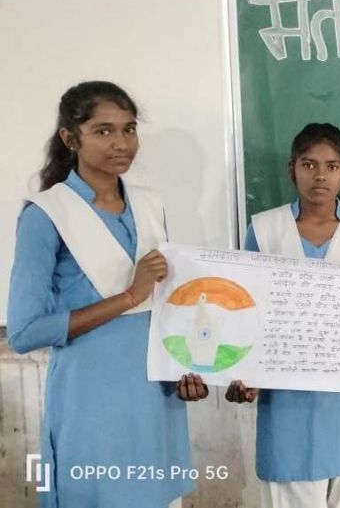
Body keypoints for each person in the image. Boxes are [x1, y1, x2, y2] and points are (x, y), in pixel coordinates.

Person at [7, 81, 208, 508]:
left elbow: (164, 305)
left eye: (129, 129)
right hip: (92, 402)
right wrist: (129, 296)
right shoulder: (46, 215)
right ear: (70, 138)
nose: (121, 143)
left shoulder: (150, 205)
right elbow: (24, 333)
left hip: (156, 399)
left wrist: (185, 369)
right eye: (103, 131)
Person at [225, 122, 340, 508]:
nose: (320, 176)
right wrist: (244, 372)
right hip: (285, 390)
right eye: (309, 164)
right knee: (290, 486)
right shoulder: (265, 229)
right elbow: (245, 308)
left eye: (332, 166)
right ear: (292, 169)